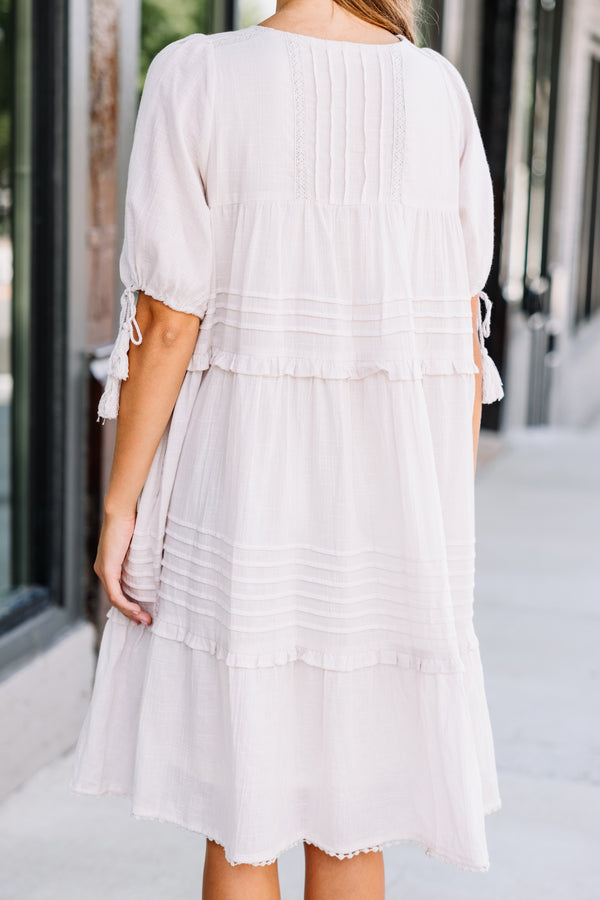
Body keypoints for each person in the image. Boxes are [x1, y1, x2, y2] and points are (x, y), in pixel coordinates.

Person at [69, 2, 504, 898]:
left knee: (246, 820)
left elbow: (166, 319)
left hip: (245, 498)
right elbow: (461, 341)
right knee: (353, 826)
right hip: (395, 520)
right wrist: (442, 533)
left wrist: (122, 507)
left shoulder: (198, 76)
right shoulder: (439, 94)